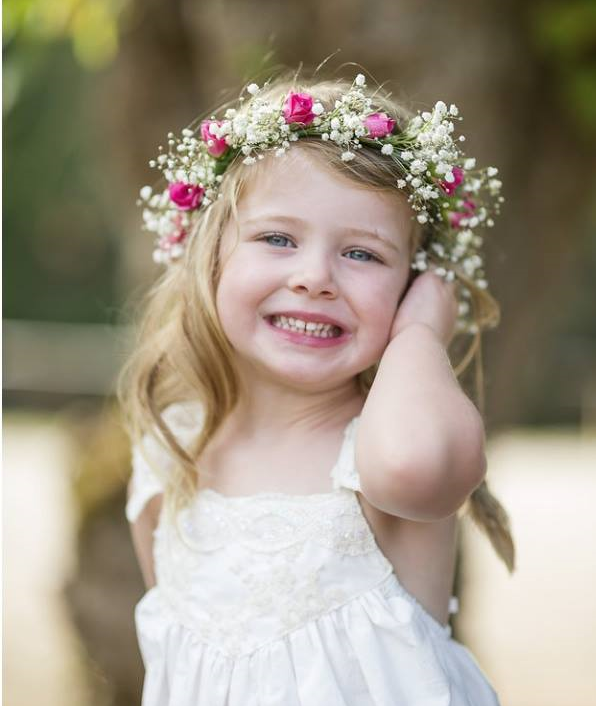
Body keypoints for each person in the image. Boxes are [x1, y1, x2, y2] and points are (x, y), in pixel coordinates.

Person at [118, 69, 515, 705]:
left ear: (413, 284)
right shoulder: (173, 453)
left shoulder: (382, 449)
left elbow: (416, 463)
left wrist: (420, 332)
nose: (315, 277)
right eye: (277, 238)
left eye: (363, 254)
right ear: (210, 256)